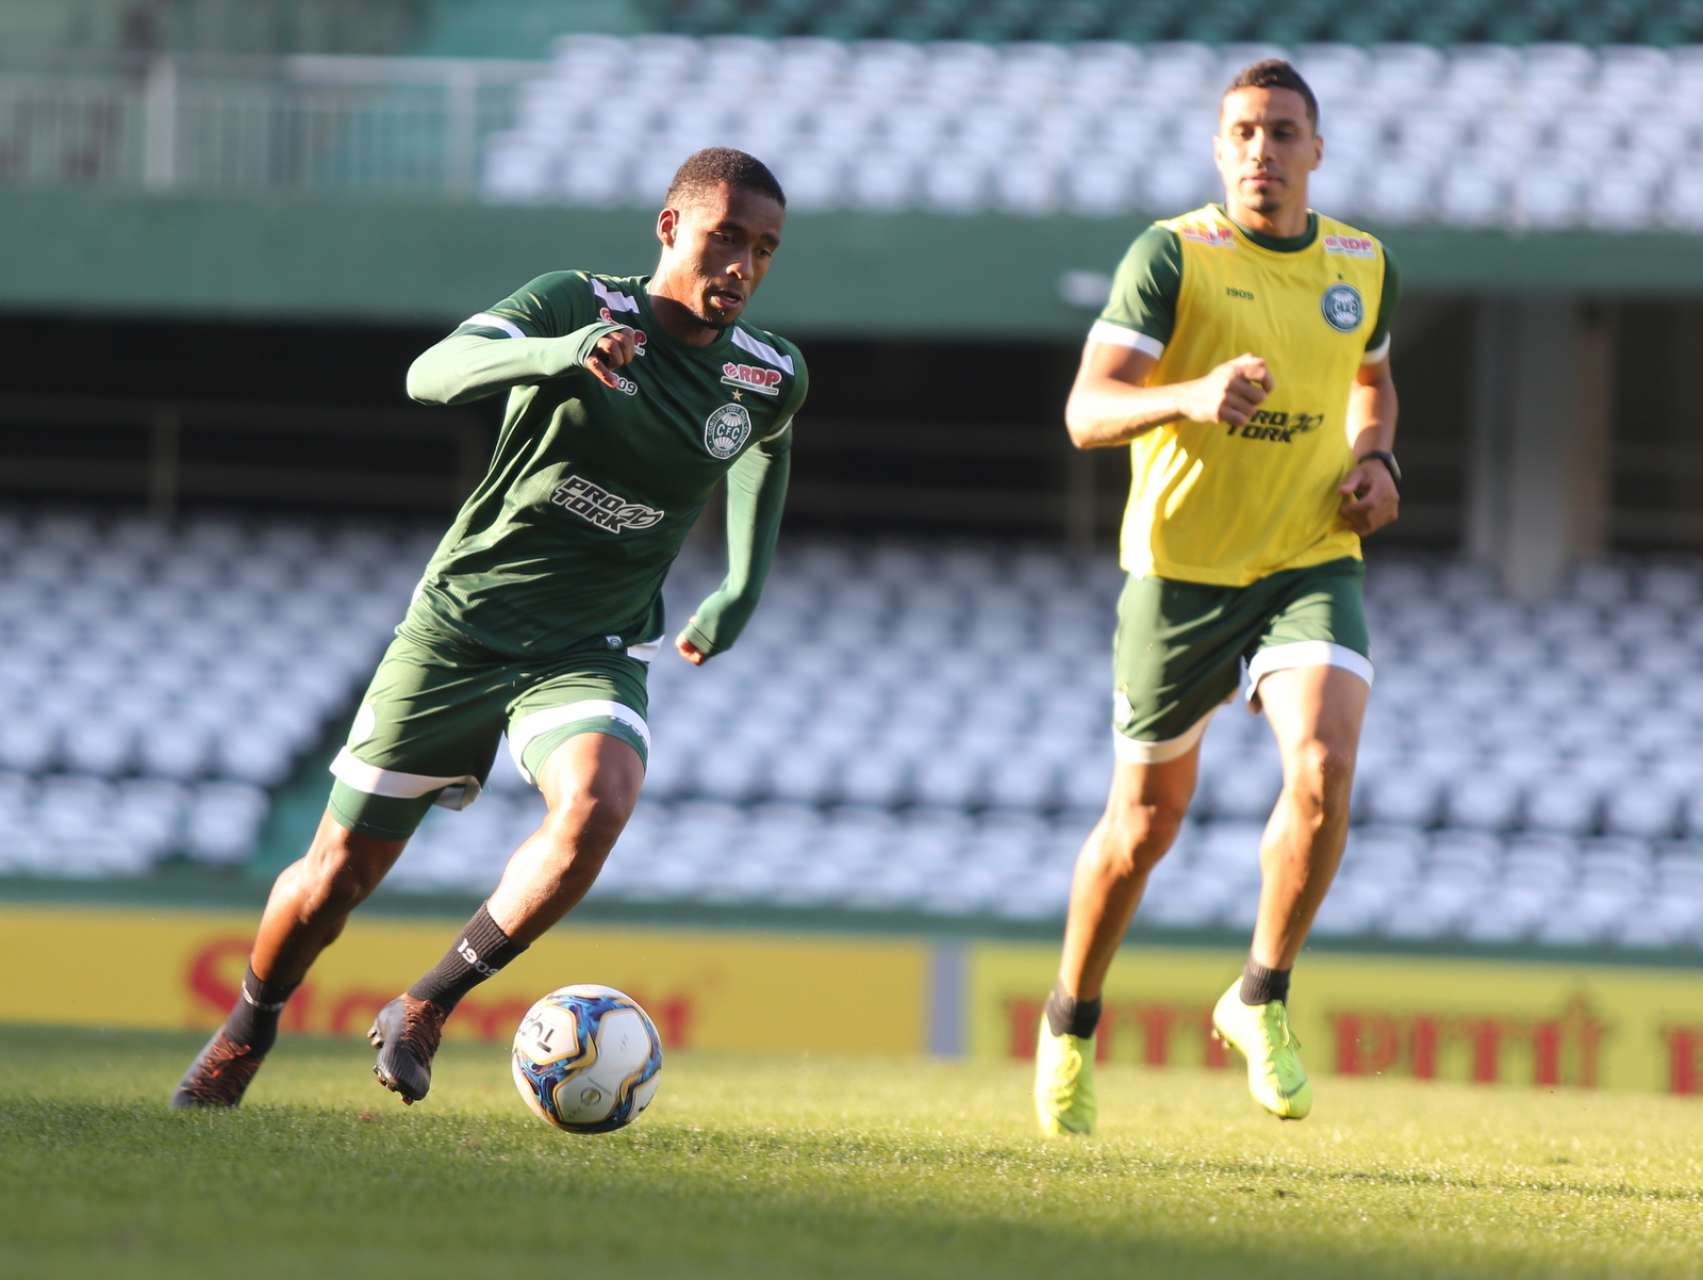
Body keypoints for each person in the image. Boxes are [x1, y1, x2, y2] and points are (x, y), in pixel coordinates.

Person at [172, 147, 808, 1108]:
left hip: (584, 649)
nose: (743, 267)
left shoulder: (767, 371)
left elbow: (769, 437)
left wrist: (743, 583)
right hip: (458, 633)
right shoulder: (573, 302)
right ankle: (249, 1026)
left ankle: (427, 1004)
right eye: (726, 237)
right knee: (333, 878)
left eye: (763, 249)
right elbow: (434, 372)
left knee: (600, 798)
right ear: (671, 226)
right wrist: (555, 357)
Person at [1033, 59, 1401, 1134]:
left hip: (1306, 558)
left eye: (1282, 132)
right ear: (1216, 147)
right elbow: (1084, 410)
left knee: (1325, 764)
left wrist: (1378, 461)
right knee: (1141, 827)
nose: (1260, 150)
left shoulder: (1361, 262)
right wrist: (1189, 394)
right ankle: (1068, 1016)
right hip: (1179, 574)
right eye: (1241, 130)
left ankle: (1259, 994)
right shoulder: (1171, 255)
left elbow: (1370, 380)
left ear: (1314, 152)